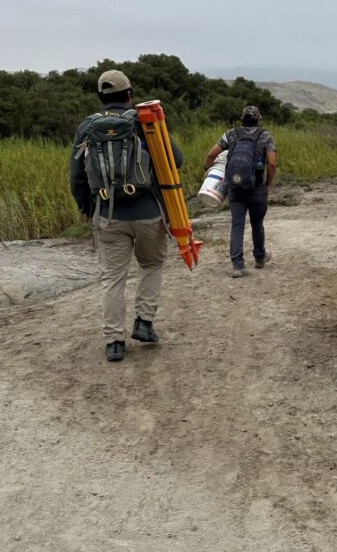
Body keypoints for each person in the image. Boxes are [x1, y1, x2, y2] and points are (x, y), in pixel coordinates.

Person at [69, 69, 184, 363]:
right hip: (147, 212)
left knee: (112, 279)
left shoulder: (87, 128)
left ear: (100, 98)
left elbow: (77, 177)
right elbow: (177, 160)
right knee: (152, 264)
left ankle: (114, 342)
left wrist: (87, 208)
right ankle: (144, 323)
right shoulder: (143, 121)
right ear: (129, 94)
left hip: (108, 215)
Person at [204, 105, 277, 277]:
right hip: (257, 187)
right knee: (257, 224)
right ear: (259, 120)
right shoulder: (265, 135)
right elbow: (272, 163)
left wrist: (207, 171)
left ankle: (238, 266)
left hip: (235, 188)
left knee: (237, 226)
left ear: (242, 119)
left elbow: (211, 155)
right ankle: (259, 258)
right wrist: (268, 184)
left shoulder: (231, 134)